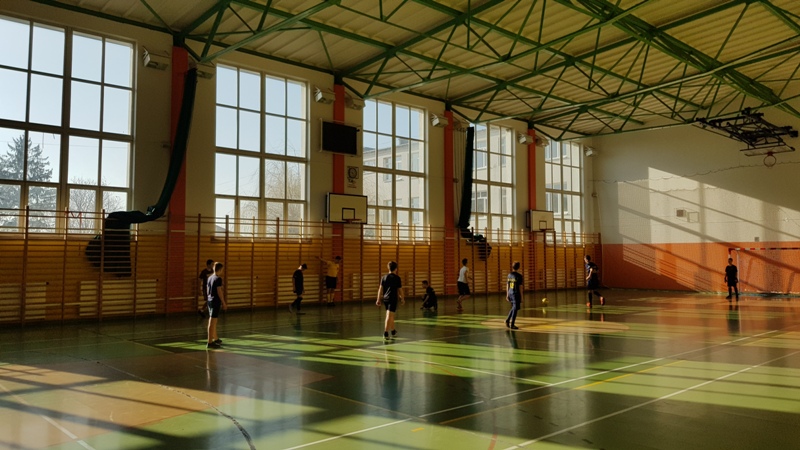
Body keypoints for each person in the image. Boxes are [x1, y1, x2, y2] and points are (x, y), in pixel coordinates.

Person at [376, 261, 404, 340]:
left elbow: (380, 289)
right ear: (396, 269)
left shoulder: (384, 277)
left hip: (385, 299)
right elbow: (400, 290)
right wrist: (402, 298)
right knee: (389, 315)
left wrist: (378, 299)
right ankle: (385, 332)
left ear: (388, 268)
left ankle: (393, 331)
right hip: (393, 298)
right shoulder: (397, 278)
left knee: (390, 315)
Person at [206, 262, 227, 349]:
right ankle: (209, 342)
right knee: (212, 322)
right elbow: (219, 291)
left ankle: (216, 338)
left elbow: (207, 290)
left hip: (210, 300)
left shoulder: (210, 277)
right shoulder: (218, 279)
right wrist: (223, 302)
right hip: (215, 301)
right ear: (220, 269)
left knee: (213, 321)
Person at [506, 261, 523, 329]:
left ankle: (507, 320)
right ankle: (512, 324)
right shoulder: (519, 276)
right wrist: (522, 297)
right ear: (518, 267)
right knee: (515, 309)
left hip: (510, 292)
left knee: (514, 308)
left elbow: (507, 285)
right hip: (516, 293)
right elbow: (520, 287)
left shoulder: (509, 275)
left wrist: (507, 294)